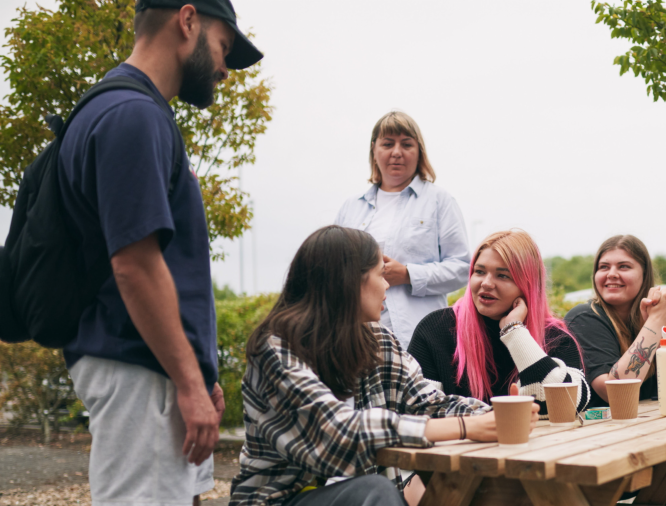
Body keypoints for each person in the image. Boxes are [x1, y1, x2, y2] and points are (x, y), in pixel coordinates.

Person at [58, 1, 263, 505]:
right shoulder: (133, 115)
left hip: (153, 369)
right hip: (138, 367)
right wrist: (189, 381)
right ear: (188, 20)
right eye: (223, 47)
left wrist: (199, 373)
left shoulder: (129, 109)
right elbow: (135, 265)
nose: (223, 69)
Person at [229, 226, 538, 506]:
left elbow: (430, 404)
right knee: (375, 491)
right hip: (279, 500)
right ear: (349, 281)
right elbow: (337, 435)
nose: (387, 286)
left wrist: (493, 415)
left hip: (372, 493)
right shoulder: (277, 349)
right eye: (380, 275)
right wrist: (464, 427)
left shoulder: (376, 341)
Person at [564, 235, 666, 505]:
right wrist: (656, 322)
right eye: (604, 267)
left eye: (623, 266)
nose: (611, 274)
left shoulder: (648, 321)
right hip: (592, 452)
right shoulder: (585, 318)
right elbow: (618, 391)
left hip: (643, 443)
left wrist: (654, 323)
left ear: (644, 275)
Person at [409, 230, 592, 417]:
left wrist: (514, 332)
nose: (486, 283)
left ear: (527, 285)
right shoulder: (435, 328)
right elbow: (418, 409)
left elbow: (569, 404)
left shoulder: (555, 337)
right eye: (479, 272)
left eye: (502, 275)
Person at [335, 111, 470, 349]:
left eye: (406, 144)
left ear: (419, 152)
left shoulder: (439, 201)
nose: (397, 152)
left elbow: (462, 269)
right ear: (374, 150)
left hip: (420, 340)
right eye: (388, 144)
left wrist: (408, 274)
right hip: (358, 340)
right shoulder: (351, 207)